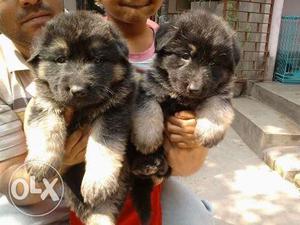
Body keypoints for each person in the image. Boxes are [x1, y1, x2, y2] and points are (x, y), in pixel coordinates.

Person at [0, 0, 213, 225]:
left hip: (126, 180)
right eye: (61, 59)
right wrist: (59, 162)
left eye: (97, 59)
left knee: (197, 218)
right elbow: (8, 179)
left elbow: (184, 160)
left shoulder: (101, 33)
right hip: (41, 201)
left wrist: (186, 141)